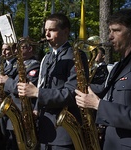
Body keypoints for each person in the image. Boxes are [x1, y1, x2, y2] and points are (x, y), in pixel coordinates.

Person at [75, 8, 131, 150]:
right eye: (109, 31)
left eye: (116, 31)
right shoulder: (118, 67)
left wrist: (98, 105)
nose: (109, 37)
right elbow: (106, 92)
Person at [17, 13, 88, 150]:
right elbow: (42, 85)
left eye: (52, 30)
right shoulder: (47, 57)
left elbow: (72, 93)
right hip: (44, 128)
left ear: (65, 31)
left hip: (63, 131)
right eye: (46, 30)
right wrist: (36, 110)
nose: (47, 34)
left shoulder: (76, 55)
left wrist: (37, 92)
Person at [0, 37, 40, 150]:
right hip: (12, 115)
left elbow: (23, 89)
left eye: (19, 48)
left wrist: (7, 81)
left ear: (30, 48)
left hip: (23, 114)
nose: (15, 51)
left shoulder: (34, 65)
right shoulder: (18, 65)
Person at [0, 43, 18, 150]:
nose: (4, 52)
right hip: (1, 105)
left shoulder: (18, 65)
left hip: (11, 105)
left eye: (7, 49)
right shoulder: (2, 66)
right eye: (3, 49)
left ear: (13, 50)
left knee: (12, 139)